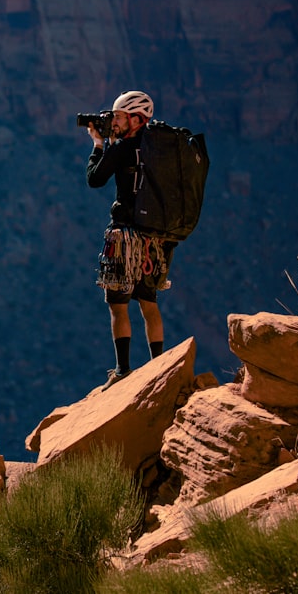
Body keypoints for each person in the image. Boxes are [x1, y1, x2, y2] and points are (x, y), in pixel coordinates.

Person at [85, 90, 176, 390]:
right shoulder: (159, 148)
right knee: (149, 303)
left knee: (118, 303)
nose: (115, 122)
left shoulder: (121, 148)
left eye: (120, 117)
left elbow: (95, 179)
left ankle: (123, 370)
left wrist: (99, 145)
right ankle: (159, 366)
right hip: (154, 239)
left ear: (136, 118)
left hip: (124, 234)